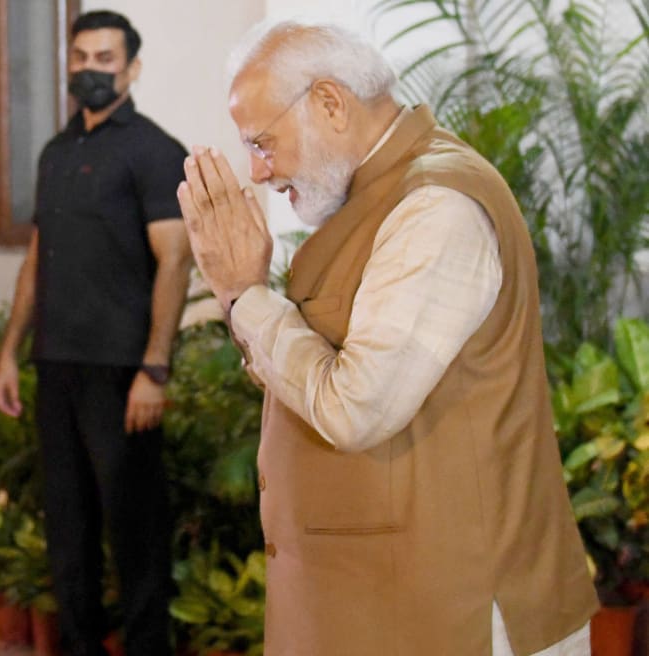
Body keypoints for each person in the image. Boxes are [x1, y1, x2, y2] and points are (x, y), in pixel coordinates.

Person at [177, 20, 598, 656]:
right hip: (376, 600)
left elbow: (357, 406)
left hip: (450, 607)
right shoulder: (371, 197)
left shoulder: (438, 206)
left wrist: (245, 297)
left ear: (329, 102)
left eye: (264, 143)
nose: (258, 172)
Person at [0, 10, 191, 656]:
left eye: (105, 58)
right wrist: (9, 354)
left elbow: (176, 260)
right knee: (68, 534)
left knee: (134, 535)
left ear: (131, 68)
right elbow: (35, 260)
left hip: (123, 373)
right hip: (57, 367)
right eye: (80, 57)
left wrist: (154, 369)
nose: (90, 69)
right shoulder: (56, 152)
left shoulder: (157, 153)